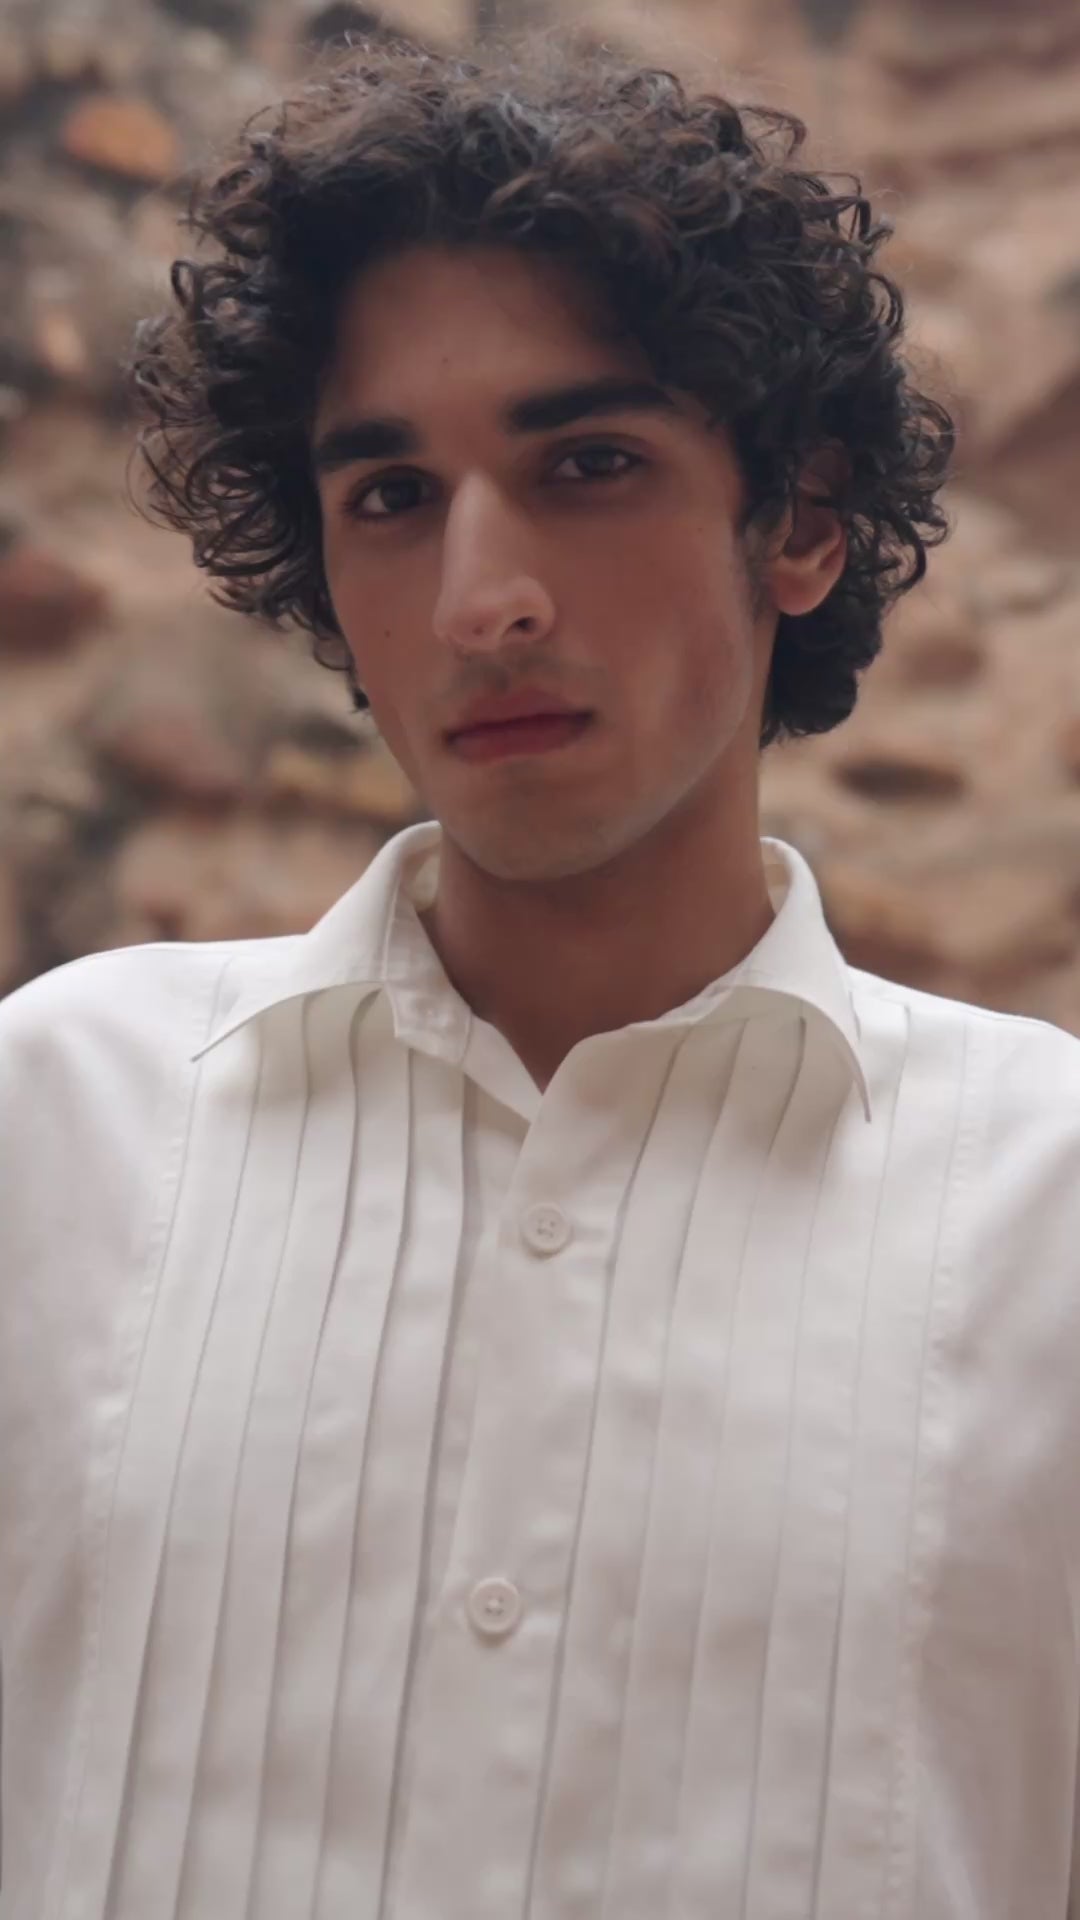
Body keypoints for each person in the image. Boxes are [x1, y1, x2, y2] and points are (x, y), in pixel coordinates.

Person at [2, 24, 1079, 1920]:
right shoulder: (57, 1123)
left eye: (587, 462)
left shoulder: (1045, 1207)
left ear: (800, 521)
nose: (480, 598)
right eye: (391, 495)